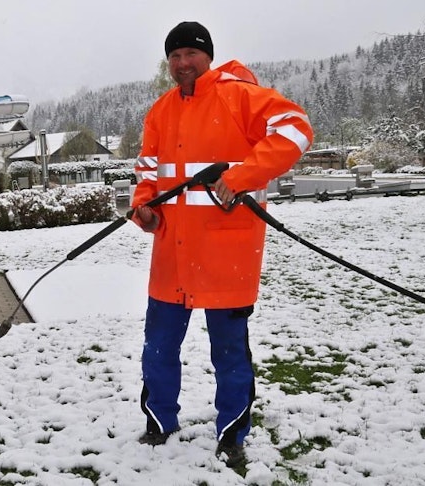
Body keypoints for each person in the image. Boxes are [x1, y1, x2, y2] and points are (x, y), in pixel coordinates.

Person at [130, 21, 313, 467]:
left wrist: (240, 177)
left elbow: (296, 129)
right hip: (171, 253)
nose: (182, 63)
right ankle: (159, 423)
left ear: (207, 56)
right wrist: (144, 207)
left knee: (229, 351)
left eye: (190, 54)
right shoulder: (160, 110)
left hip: (227, 256)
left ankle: (231, 432)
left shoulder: (241, 96)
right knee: (157, 347)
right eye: (174, 56)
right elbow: (146, 171)